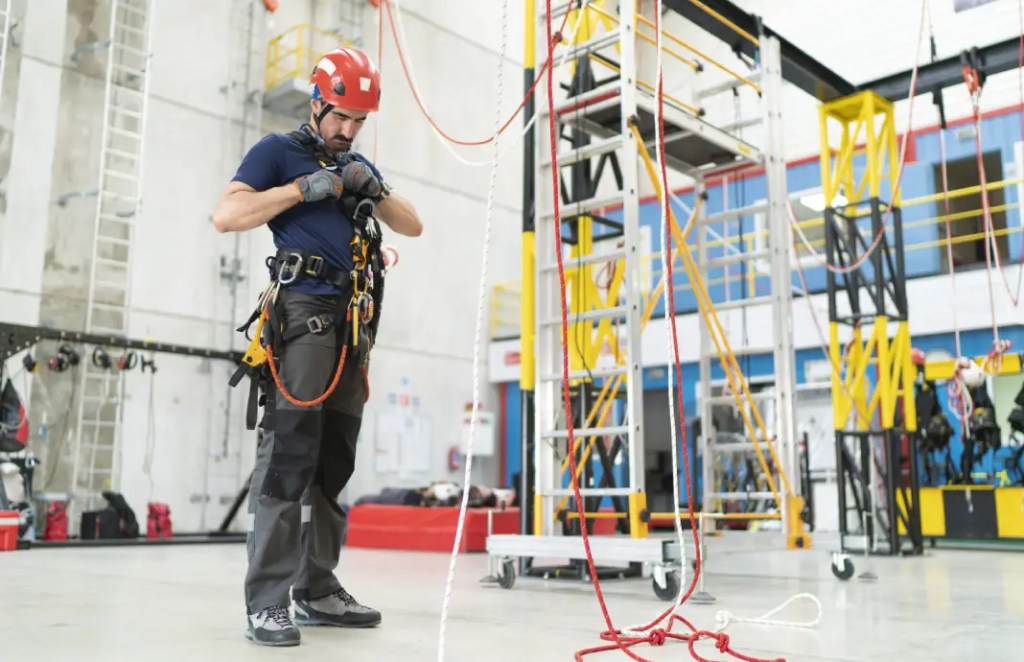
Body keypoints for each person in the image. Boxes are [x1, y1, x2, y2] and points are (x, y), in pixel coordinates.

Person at [212, 46, 422, 647]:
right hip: (303, 320)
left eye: (359, 121)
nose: (349, 130)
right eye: (341, 117)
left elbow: (413, 224)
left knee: (333, 465)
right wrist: (302, 190)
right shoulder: (278, 152)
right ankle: (267, 603)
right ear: (317, 103)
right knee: (288, 459)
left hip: (352, 326)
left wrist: (372, 187)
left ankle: (319, 589)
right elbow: (226, 214)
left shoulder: (355, 163)